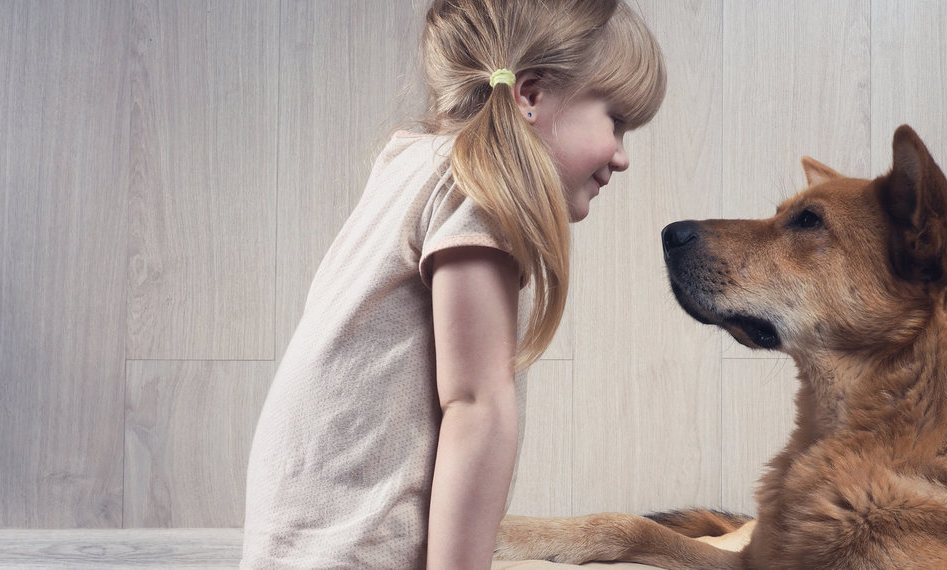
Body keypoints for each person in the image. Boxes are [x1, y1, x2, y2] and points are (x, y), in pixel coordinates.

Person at [240, 0, 666, 567]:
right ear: (531, 95)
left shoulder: (415, 160)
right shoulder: (481, 183)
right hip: (355, 552)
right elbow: (475, 404)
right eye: (615, 120)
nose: (621, 156)